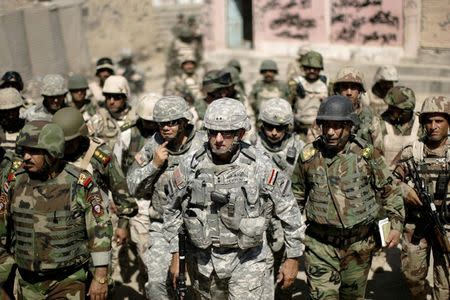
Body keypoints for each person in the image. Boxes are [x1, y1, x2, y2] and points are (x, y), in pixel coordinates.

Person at [163, 97, 305, 299]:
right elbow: (171, 209)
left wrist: (293, 258)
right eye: (213, 132)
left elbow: (289, 210)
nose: (218, 139)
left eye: (227, 133)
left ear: (240, 133)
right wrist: (176, 255)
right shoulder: (190, 165)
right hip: (204, 265)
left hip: (248, 261)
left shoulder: (260, 166)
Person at [292, 95, 405, 299]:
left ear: (350, 126)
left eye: (337, 126)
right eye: (326, 126)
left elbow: (390, 190)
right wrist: (291, 246)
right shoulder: (308, 156)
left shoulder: (366, 155)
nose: (330, 132)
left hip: (358, 246)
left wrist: (396, 224)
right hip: (320, 245)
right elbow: (295, 199)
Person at [2, 120, 112, 299]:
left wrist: (100, 277)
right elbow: (2, 232)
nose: (26, 157)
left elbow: (100, 229)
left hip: (68, 280)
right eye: (24, 151)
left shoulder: (79, 182)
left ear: (52, 152)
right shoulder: (15, 180)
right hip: (27, 281)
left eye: (34, 151)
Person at [127, 95, 204, 299]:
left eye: (171, 123)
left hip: (198, 227)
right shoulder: (154, 145)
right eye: (161, 124)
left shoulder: (203, 145)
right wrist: (154, 166)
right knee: (155, 286)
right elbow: (132, 184)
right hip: (161, 226)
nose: (166, 128)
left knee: (201, 287)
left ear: (183, 122)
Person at [52, 107, 138, 246]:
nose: (65, 146)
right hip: (61, 227)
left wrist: (122, 224)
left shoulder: (100, 155)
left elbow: (120, 189)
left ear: (80, 136)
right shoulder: (52, 153)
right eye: (63, 142)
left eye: (70, 142)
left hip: (96, 226)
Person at [393, 95, 450, 300]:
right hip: (416, 224)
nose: (433, 126)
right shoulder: (412, 152)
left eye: (439, 121)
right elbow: (388, 181)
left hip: (446, 226)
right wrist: (404, 191)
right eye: (428, 121)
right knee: (412, 276)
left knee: (445, 283)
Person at [254, 97, 305, 299]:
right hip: (257, 217)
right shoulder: (251, 143)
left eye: (280, 127)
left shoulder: (299, 147)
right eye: (269, 127)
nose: (274, 132)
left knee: (285, 277)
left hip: (287, 217)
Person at [113, 93, 159, 292]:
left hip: (162, 202)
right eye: (146, 121)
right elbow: (117, 171)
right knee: (146, 255)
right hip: (138, 201)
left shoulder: (166, 134)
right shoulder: (127, 134)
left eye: (153, 121)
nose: (150, 126)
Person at [88, 75, 136, 149]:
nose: (111, 101)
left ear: (125, 98)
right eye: (108, 97)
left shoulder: (135, 119)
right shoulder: (98, 119)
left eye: (116, 97)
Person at [289, 50, 328, 136]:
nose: (312, 71)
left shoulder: (327, 84)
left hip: (320, 129)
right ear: (303, 68)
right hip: (299, 129)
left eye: (315, 68)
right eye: (308, 68)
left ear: (320, 68)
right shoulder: (295, 83)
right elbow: (289, 105)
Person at [380, 86, 419, 168]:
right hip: (384, 176)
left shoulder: (421, 125)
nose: (389, 110)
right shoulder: (379, 122)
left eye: (393, 108)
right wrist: (369, 157)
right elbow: (366, 147)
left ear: (406, 111)